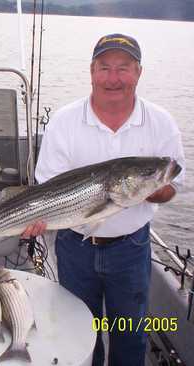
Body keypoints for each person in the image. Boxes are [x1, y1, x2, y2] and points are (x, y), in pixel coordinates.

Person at [22, 34, 185, 366]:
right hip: (73, 246)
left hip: (131, 249)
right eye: (105, 68)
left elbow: (171, 186)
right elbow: (47, 187)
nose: (113, 78)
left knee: (131, 333)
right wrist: (36, 220)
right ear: (92, 71)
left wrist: (148, 188)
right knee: (80, 332)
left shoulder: (161, 122)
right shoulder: (65, 121)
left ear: (138, 72)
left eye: (123, 68)